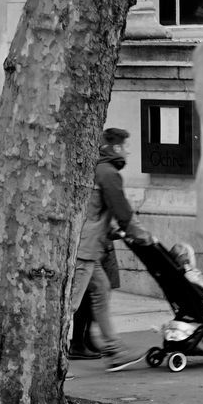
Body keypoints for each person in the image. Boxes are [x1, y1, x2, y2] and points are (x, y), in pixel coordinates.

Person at [70, 124, 136, 360]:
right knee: (71, 303)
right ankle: (47, 352)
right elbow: (122, 210)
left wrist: (113, 231)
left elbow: (98, 211)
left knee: (100, 290)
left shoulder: (99, 168)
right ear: (116, 148)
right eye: (125, 147)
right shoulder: (108, 173)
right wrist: (139, 234)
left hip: (91, 247)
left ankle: (114, 347)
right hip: (86, 249)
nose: (128, 152)